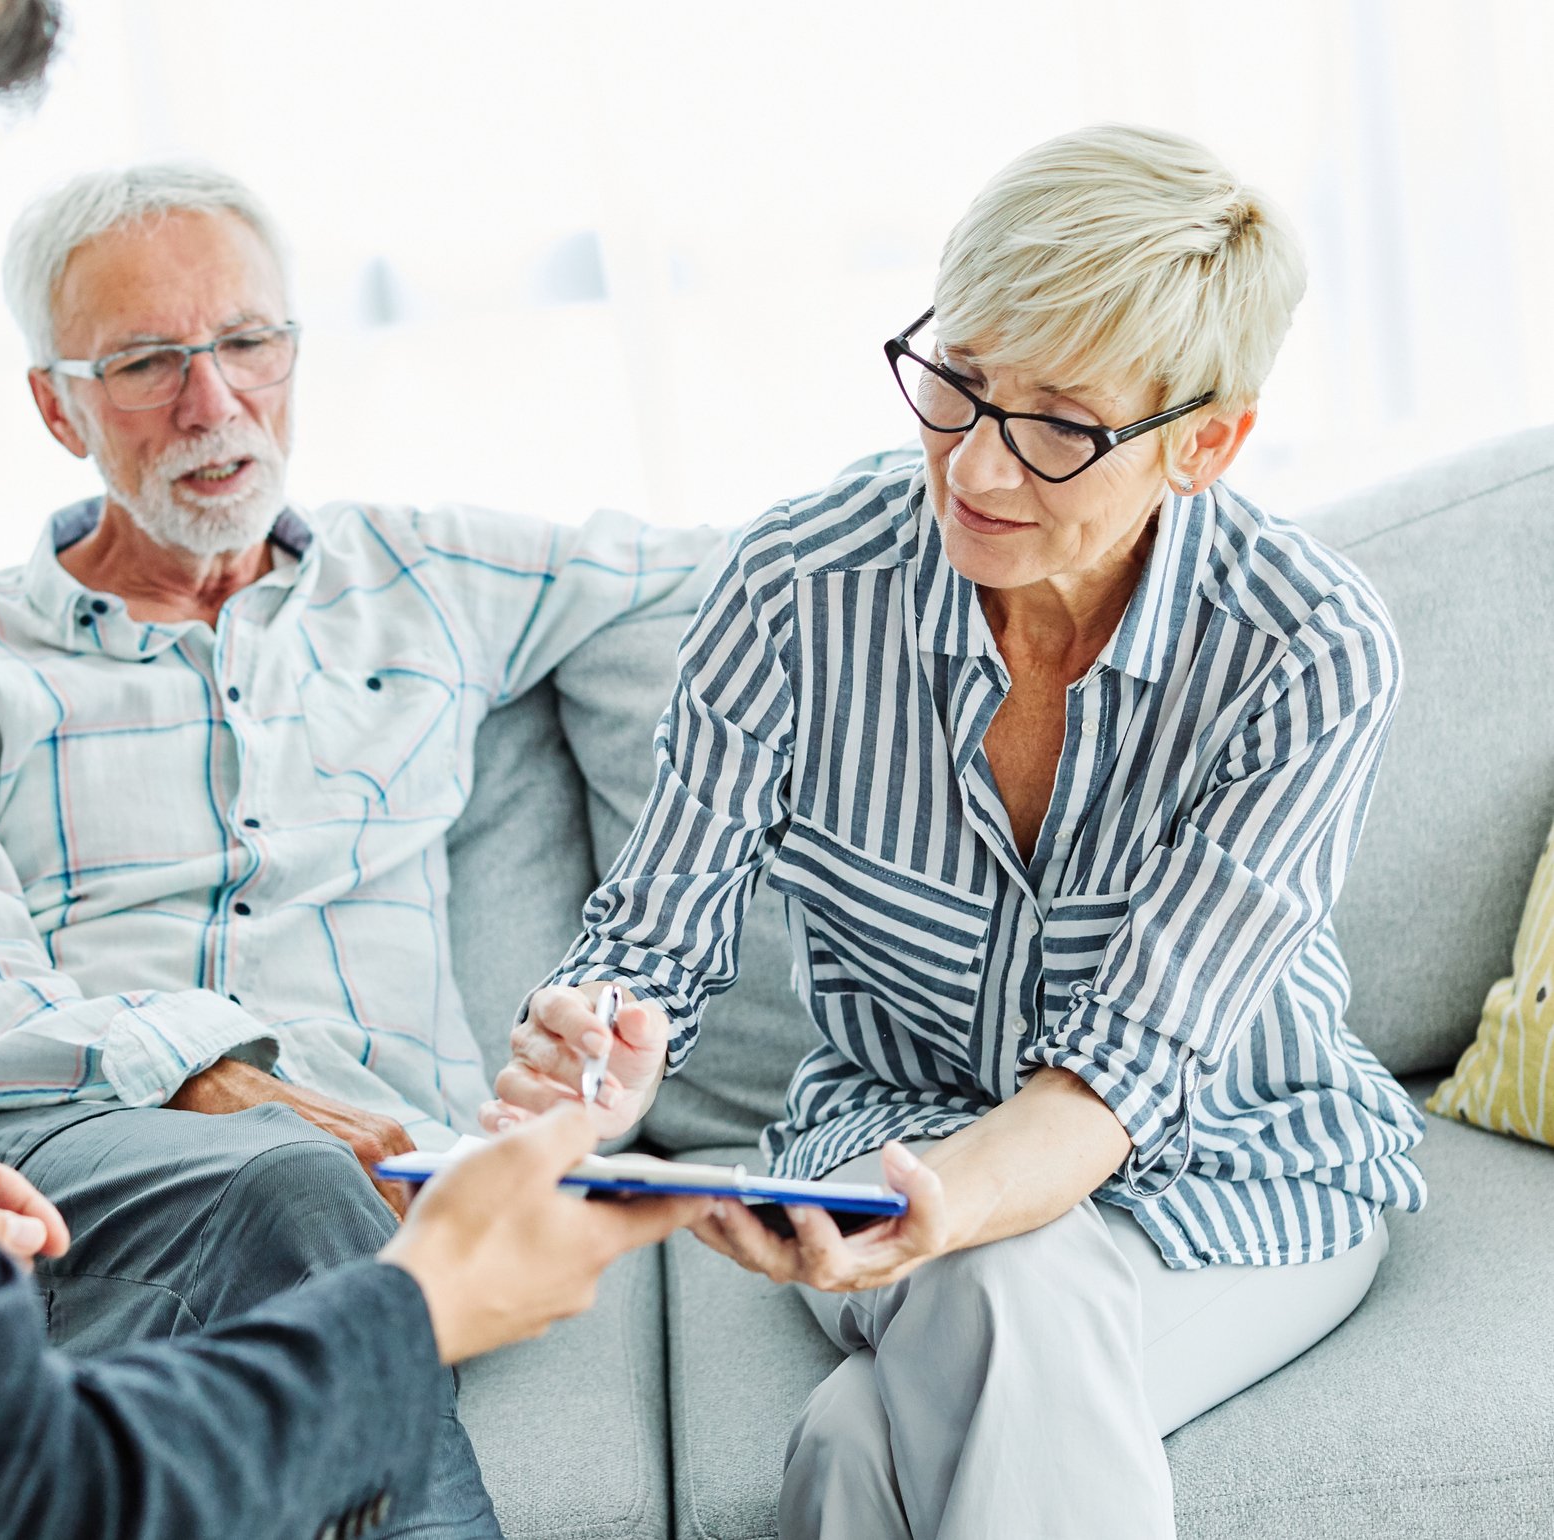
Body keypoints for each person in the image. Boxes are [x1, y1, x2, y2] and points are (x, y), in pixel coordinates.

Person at [0, 5, 708, 1539]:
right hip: (114, 1148)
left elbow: (749, 577)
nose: (215, 402)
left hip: (352, 1169)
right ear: (58, 405)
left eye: (248, 343)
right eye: (146, 363)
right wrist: (241, 1101)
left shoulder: (437, 575)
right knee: (280, 1193)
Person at [487, 124, 1428, 1540]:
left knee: (903, 1397)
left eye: (1058, 425)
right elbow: (651, 942)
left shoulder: (1306, 652)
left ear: (1206, 444)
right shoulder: (798, 589)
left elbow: (1120, 1080)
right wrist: (601, 1052)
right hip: (889, 1137)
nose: (975, 470)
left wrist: (944, 1212)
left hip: (1241, 1174)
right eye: (960, 384)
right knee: (990, 1297)